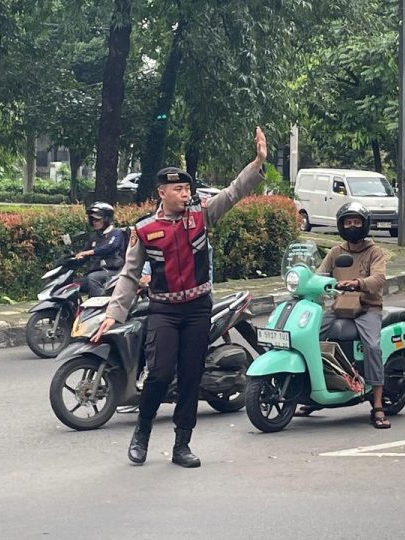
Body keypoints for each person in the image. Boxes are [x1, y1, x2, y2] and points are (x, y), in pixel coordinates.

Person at [94, 127, 268, 468]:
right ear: (162, 192)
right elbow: (129, 276)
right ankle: (142, 432)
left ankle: (182, 445)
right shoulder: (144, 230)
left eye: (187, 187)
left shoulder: (201, 215)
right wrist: (112, 315)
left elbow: (234, 193)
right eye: (178, 188)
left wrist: (258, 162)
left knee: (191, 377)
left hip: (198, 308)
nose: (185, 193)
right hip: (164, 309)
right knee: (159, 374)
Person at [298, 203, 391, 428]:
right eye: (347, 222)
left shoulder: (374, 252)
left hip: (368, 309)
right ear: (341, 225)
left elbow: (379, 278)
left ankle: (377, 405)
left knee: (372, 346)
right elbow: (319, 276)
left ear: (364, 225)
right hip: (340, 307)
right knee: (309, 336)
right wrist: (307, 284)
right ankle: (317, 390)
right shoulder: (336, 252)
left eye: (356, 222)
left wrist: (358, 283)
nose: (352, 226)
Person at [74, 202, 125, 298]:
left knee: (93, 278)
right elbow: (84, 255)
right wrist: (72, 260)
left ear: (107, 219)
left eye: (97, 219)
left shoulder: (116, 233)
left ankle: (100, 306)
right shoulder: (94, 236)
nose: (94, 222)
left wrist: (90, 252)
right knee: (73, 285)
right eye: (92, 219)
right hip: (96, 272)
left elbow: (111, 246)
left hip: (113, 272)